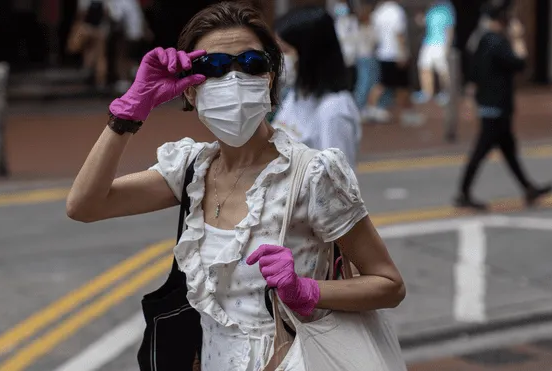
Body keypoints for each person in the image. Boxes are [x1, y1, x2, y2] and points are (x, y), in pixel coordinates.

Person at [66, 2, 405, 370]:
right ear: (191, 91)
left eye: (251, 63)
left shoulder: (311, 174)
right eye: (213, 67)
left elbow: (388, 283)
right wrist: (129, 112)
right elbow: (85, 205)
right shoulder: (191, 168)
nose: (233, 78)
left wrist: (307, 290)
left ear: (270, 78)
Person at [455, 3, 552, 210]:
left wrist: (469, 98)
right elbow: (519, 63)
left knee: (508, 151)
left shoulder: (482, 40)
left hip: (488, 104)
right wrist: (518, 37)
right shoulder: (497, 43)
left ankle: (528, 188)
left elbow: (473, 73)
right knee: (481, 151)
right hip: (497, 107)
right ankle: (463, 193)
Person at [273, 6, 362, 168]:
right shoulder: (298, 95)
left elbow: (338, 182)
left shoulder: (334, 110)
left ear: (308, 54)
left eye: (285, 51)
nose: (280, 60)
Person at [364, 0, 421, 125]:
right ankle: (408, 113)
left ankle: (371, 108)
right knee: (402, 85)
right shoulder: (396, 11)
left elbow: (375, 33)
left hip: (382, 53)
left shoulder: (379, 12)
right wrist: (402, 53)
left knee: (384, 83)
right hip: (394, 53)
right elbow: (399, 34)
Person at [413, 0, 456, 106]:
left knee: (443, 70)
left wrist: (448, 45)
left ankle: (446, 93)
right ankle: (427, 93)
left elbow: (450, 28)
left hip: (441, 43)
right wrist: (419, 20)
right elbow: (426, 22)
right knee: (424, 67)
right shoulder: (431, 7)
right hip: (428, 42)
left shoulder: (447, 7)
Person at [353, 0, 378, 110]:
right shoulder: (362, 28)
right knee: (364, 82)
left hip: (366, 57)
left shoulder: (363, 27)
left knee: (369, 82)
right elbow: (373, 41)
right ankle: (359, 106)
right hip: (365, 57)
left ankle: (365, 106)